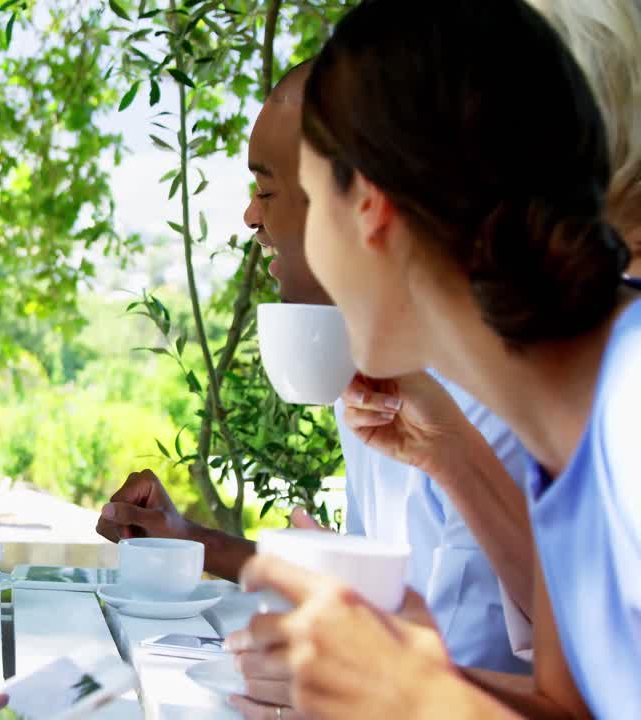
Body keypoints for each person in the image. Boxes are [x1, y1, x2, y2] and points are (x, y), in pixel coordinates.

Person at [238, 0, 637, 717]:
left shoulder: (631, 412)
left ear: (369, 205)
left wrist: (421, 698)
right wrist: (390, 669)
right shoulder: (566, 438)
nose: (258, 220)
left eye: (297, 186)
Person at [97, 57, 529, 718]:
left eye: (266, 189)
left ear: (367, 204)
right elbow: (381, 616)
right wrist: (192, 540)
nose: (247, 216)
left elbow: (447, 673)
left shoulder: (512, 395)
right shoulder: (389, 387)